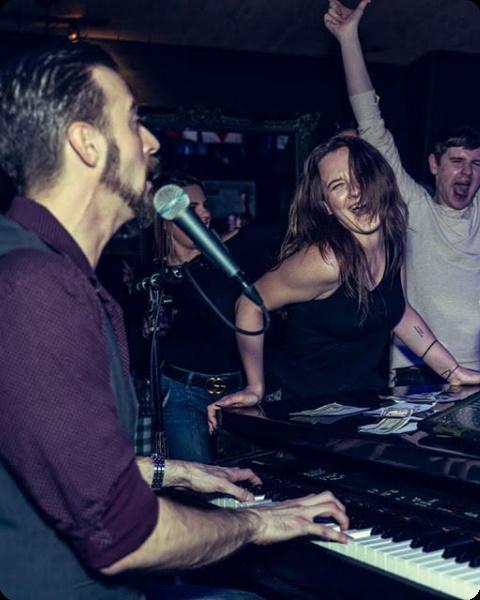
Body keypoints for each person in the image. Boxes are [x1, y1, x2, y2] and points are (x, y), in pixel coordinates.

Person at [0, 40, 350, 600]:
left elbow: (61, 462)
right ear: (86, 143)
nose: (151, 141)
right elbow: (122, 536)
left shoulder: (42, 273)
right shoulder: (33, 287)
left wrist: (181, 472)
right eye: (134, 121)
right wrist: (260, 523)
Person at [207, 135, 480, 428]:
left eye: (360, 176)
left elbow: (397, 311)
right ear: (326, 205)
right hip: (299, 408)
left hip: (359, 402)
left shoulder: (391, 239)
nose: (354, 191)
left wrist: (452, 371)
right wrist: (254, 386)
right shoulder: (325, 261)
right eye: (337, 185)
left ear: (380, 180)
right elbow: (249, 303)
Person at [324, 0, 480, 386]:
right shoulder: (414, 206)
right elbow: (371, 122)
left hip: (474, 371)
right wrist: (348, 40)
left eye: (477, 164)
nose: (467, 172)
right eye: (457, 161)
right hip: (415, 373)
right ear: (433, 164)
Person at [147, 171, 282, 463]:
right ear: (167, 219)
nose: (205, 214)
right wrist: (148, 327)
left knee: (247, 482)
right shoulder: (154, 274)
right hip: (183, 394)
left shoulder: (227, 255)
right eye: (192, 209)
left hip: (236, 391)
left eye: (205, 205)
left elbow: (278, 228)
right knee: (200, 489)